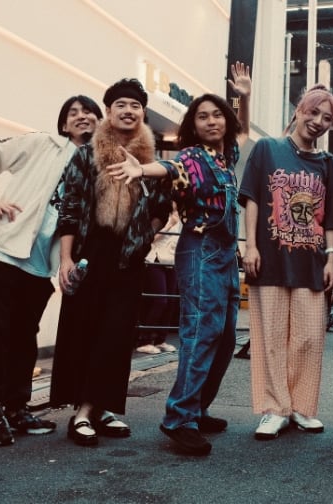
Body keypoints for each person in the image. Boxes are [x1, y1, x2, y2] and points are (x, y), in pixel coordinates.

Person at [108, 62, 251, 455]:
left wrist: (244, 97)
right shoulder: (192, 156)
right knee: (201, 334)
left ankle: (197, 407)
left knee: (225, 339)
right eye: (202, 116)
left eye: (217, 114)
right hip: (200, 251)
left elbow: (242, 130)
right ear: (193, 125)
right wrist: (141, 169)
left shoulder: (225, 157)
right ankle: (179, 418)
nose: (211, 121)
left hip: (226, 256)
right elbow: (169, 166)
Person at [0, 95, 103, 446]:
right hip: (4, 254)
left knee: (23, 341)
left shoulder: (97, 164)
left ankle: (16, 408)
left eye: (89, 111)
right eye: (73, 112)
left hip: (40, 266)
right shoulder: (42, 143)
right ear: (63, 124)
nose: (81, 116)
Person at [49, 78, 172, 447]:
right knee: (84, 331)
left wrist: (145, 234)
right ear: (108, 110)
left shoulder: (151, 159)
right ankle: (83, 411)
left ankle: (99, 409)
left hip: (129, 257)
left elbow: (162, 209)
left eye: (135, 105)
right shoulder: (86, 154)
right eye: (121, 104)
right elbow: (69, 207)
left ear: (143, 112)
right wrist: (66, 259)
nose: (128, 111)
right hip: (90, 254)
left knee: (117, 336)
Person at [238, 84, 333, 441]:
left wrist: (331, 258)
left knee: (308, 338)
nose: (318, 121)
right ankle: (274, 408)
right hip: (270, 259)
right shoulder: (268, 149)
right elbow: (252, 197)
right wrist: (251, 246)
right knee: (271, 337)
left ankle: (299, 406)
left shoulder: (328, 163)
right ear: (298, 110)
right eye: (313, 112)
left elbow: (331, 217)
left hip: (311, 262)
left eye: (327, 118)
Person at [135, 208, 180, 355]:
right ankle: (144, 341)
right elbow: (149, 238)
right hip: (155, 259)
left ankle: (160, 340)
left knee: (171, 302)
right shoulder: (161, 212)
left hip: (172, 261)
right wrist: (169, 224)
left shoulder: (182, 216)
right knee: (160, 301)